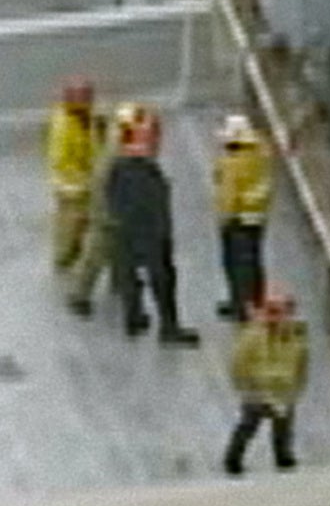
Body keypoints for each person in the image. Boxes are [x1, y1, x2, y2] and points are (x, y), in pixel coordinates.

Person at [104, 106, 201, 346]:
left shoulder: (118, 167)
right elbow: (155, 207)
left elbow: (112, 198)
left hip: (126, 229)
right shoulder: (143, 171)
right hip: (148, 233)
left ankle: (134, 318)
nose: (158, 140)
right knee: (161, 277)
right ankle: (168, 327)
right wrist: (163, 234)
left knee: (129, 274)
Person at [226, 287, 308, 475]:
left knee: (283, 428)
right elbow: (239, 362)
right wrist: (245, 387)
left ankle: (283, 456)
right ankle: (233, 458)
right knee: (248, 426)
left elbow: (301, 363)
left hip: (284, 391)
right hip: (258, 391)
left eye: (280, 312)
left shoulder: (296, 337)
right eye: (270, 311)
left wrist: (297, 387)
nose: (275, 318)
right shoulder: (253, 337)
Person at [67, 102, 137, 318]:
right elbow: (104, 183)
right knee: (96, 253)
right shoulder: (118, 151)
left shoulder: (118, 143)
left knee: (118, 247)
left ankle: (118, 281)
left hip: (114, 208)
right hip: (108, 210)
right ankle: (80, 295)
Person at [212, 113, 272, 322]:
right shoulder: (260, 155)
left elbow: (229, 194)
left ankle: (240, 305)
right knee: (253, 262)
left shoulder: (233, 163)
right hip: (257, 217)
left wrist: (224, 218)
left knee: (236, 264)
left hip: (237, 219)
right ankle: (255, 301)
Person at [45, 78, 103, 273]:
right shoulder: (64, 125)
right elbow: (60, 159)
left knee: (81, 221)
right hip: (72, 186)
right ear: (70, 98)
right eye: (84, 97)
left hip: (84, 183)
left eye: (89, 96)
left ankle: (71, 252)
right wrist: (83, 175)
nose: (89, 100)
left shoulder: (85, 116)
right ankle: (64, 257)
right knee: (70, 223)